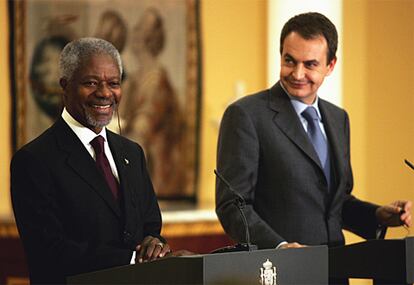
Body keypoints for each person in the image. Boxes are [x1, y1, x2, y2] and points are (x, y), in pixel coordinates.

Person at [216, 12, 411, 252]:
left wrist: (377, 216)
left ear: (331, 65)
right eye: (289, 61)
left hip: (335, 270)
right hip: (279, 269)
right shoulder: (246, 115)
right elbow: (232, 205)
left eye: (310, 64)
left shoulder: (338, 118)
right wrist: (279, 246)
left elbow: (334, 204)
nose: (297, 74)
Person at [11, 37, 171, 284]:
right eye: (91, 83)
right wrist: (131, 258)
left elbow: (151, 227)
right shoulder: (33, 161)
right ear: (65, 86)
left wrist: (155, 245)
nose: (105, 93)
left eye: (113, 83)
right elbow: (49, 251)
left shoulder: (132, 153)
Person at [119, 7, 186, 198]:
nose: (134, 32)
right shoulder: (133, 79)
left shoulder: (156, 80)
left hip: (155, 170)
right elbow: (118, 120)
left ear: (149, 38)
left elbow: (143, 127)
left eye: (140, 28)